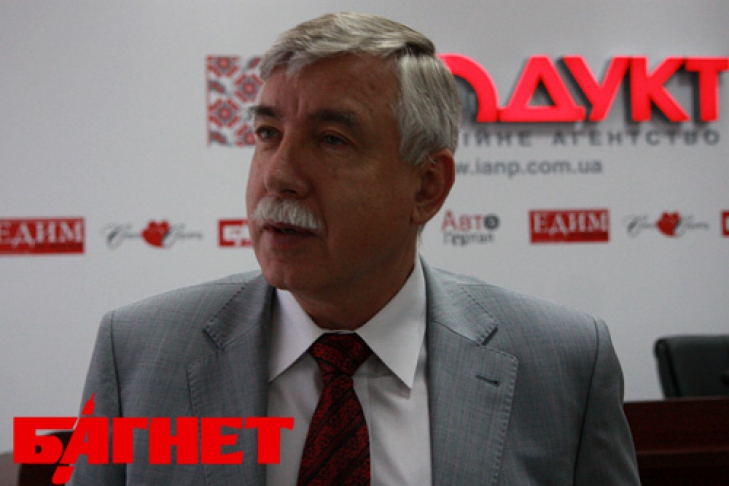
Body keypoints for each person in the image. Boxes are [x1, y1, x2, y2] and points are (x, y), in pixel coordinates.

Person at [70, 11, 640, 485]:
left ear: (428, 186)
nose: (279, 175)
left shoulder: (564, 363)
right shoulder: (139, 354)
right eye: (268, 134)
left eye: (331, 140)